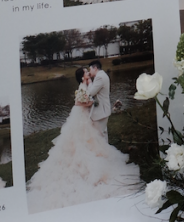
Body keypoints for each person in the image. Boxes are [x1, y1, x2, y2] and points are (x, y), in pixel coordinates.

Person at [26, 66, 139, 214]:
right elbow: (78, 102)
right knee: (80, 138)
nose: (88, 73)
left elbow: (88, 96)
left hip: (86, 115)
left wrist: (90, 101)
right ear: (82, 77)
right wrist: (90, 103)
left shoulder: (87, 85)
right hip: (80, 115)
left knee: (89, 138)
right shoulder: (81, 87)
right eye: (86, 72)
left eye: (87, 71)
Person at [86, 61, 111, 138]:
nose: (89, 72)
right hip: (104, 109)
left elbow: (91, 92)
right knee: (103, 133)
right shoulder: (103, 75)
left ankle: (103, 146)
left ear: (95, 68)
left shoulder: (99, 77)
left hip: (101, 111)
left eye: (90, 69)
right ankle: (105, 145)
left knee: (99, 136)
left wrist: (90, 82)